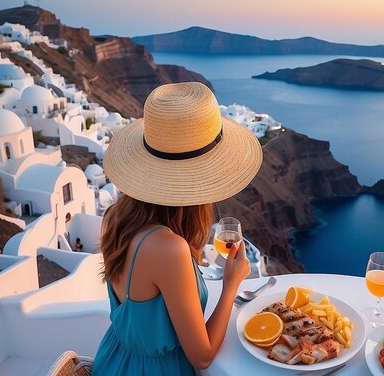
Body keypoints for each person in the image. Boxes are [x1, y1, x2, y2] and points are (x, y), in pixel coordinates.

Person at [92, 82, 263, 375]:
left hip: (115, 359)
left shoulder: (115, 218)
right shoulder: (169, 249)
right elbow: (203, 356)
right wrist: (232, 283)